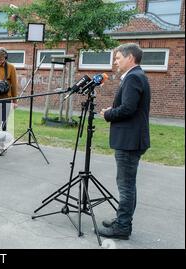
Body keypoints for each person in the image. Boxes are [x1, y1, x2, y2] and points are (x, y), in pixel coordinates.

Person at [98, 43, 151, 240]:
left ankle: (122, 227)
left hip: (130, 141)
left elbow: (128, 108)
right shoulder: (134, 76)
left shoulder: (134, 77)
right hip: (131, 139)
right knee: (128, 184)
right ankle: (122, 220)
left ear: (130, 58)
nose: (115, 61)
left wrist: (108, 113)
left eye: (118, 58)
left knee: (126, 186)